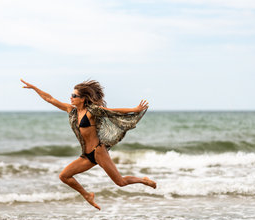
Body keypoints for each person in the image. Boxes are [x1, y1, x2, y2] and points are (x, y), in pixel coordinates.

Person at [21, 79, 156, 210]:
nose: (71, 98)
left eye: (74, 96)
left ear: (83, 98)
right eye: (71, 95)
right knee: (64, 176)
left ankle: (143, 180)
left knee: (120, 182)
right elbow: (50, 99)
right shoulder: (72, 111)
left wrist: (135, 109)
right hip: (86, 155)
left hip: (98, 151)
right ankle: (87, 195)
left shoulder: (91, 111)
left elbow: (112, 111)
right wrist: (34, 88)